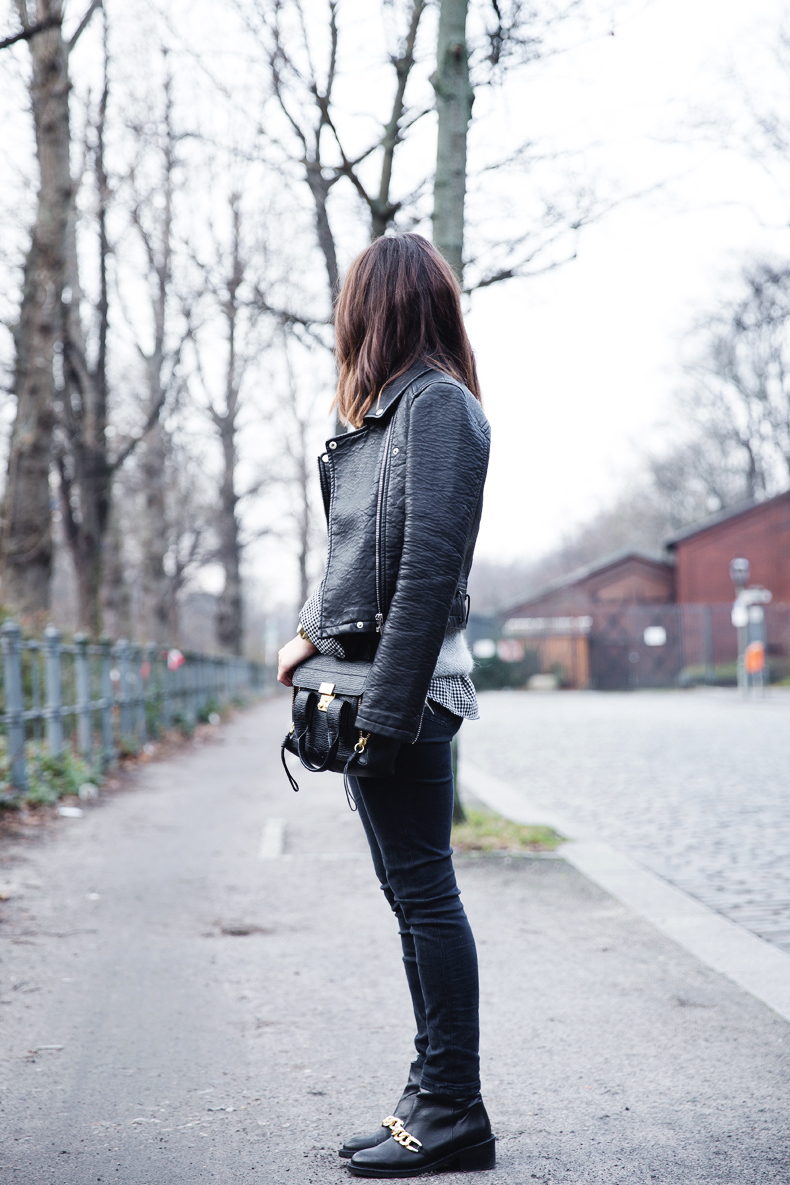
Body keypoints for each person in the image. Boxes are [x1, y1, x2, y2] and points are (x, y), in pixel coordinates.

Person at [277, 232, 493, 1178]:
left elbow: (422, 578)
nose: (342, 324)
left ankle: (451, 1106)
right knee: (411, 896)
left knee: (426, 894)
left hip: (405, 693)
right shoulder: (393, 416)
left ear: (382, 309)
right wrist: (310, 636)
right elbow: (358, 565)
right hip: (377, 687)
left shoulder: (438, 409)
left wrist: (382, 717)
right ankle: (432, 1096)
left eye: (352, 305)